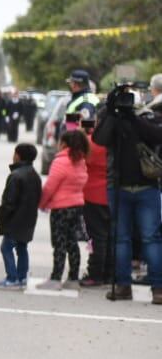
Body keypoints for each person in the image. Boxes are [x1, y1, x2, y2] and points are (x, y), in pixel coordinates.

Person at [92, 83, 162, 303]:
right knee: (121, 239)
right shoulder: (110, 117)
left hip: (146, 186)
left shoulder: (145, 116)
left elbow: (157, 136)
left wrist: (132, 117)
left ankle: (158, 288)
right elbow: (99, 139)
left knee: (150, 238)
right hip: (118, 186)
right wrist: (112, 111)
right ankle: (123, 286)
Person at [39, 128, 89, 287]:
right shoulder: (80, 161)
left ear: (64, 144)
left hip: (61, 208)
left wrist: (42, 203)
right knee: (72, 242)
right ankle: (73, 278)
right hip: (77, 206)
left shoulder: (61, 161)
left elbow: (50, 186)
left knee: (59, 243)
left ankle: (55, 278)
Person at [0, 144, 41, 291]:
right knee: (22, 247)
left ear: (18, 156)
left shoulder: (16, 176)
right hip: (28, 219)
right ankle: (22, 277)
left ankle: (12, 278)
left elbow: (9, 202)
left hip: (15, 220)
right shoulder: (34, 174)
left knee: (6, 247)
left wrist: (1, 217)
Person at [79, 111, 111, 288]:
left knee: (96, 237)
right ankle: (109, 272)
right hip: (114, 195)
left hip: (93, 195)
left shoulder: (92, 142)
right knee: (112, 236)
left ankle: (95, 273)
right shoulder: (117, 143)